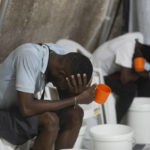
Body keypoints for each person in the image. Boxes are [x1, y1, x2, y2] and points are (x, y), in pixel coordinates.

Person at [0, 43, 96, 150]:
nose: (66, 88)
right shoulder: (29, 56)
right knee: (49, 120)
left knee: (75, 113)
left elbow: (65, 99)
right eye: (68, 85)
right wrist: (75, 99)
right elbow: (26, 109)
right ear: (62, 74)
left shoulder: (60, 57)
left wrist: (75, 94)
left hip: (17, 108)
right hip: (5, 111)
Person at [92, 32, 150, 123]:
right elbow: (125, 79)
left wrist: (143, 73)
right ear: (139, 52)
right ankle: (114, 122)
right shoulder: (127, 47)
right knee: (130, 89)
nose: (141, 63)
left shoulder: (138, 39)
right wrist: (141, 73)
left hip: (110, 71)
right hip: (97, 75)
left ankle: (142, 112)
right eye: (141, 60)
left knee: (144, 80)